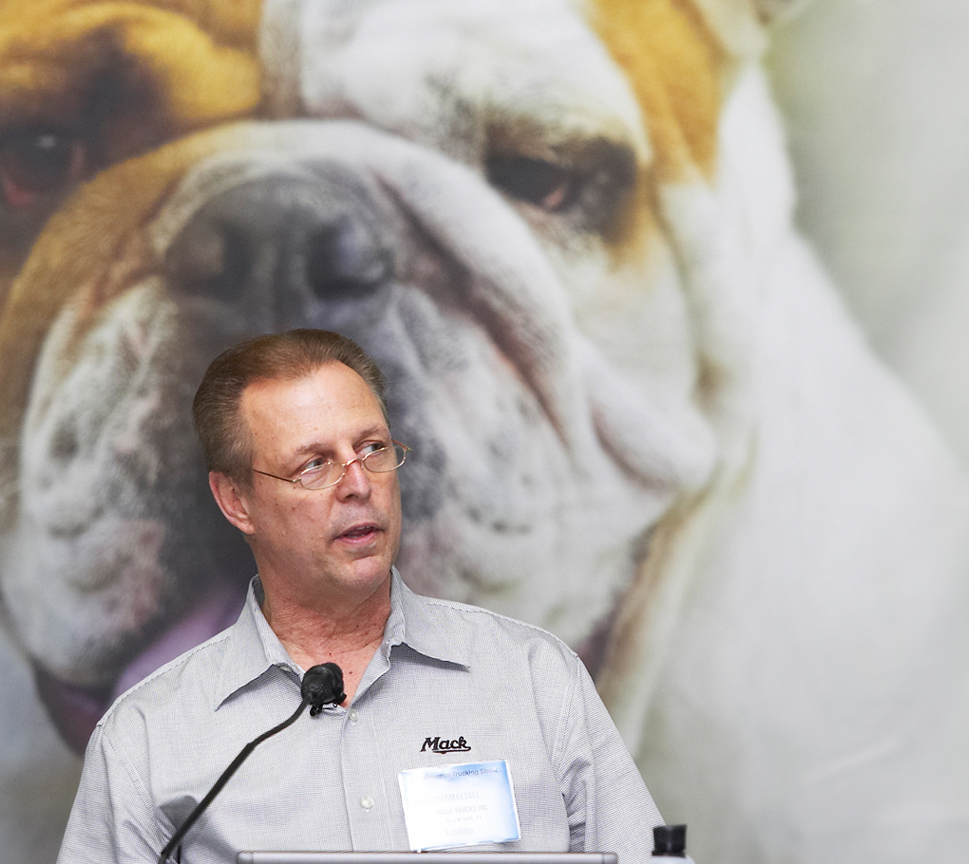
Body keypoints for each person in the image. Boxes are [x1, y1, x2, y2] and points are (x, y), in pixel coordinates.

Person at [56, 330, 664, 864]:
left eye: (371, 448)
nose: (357, 485)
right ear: (236, 501)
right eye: (313, 465)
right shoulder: (147, 738)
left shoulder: (532, 680)